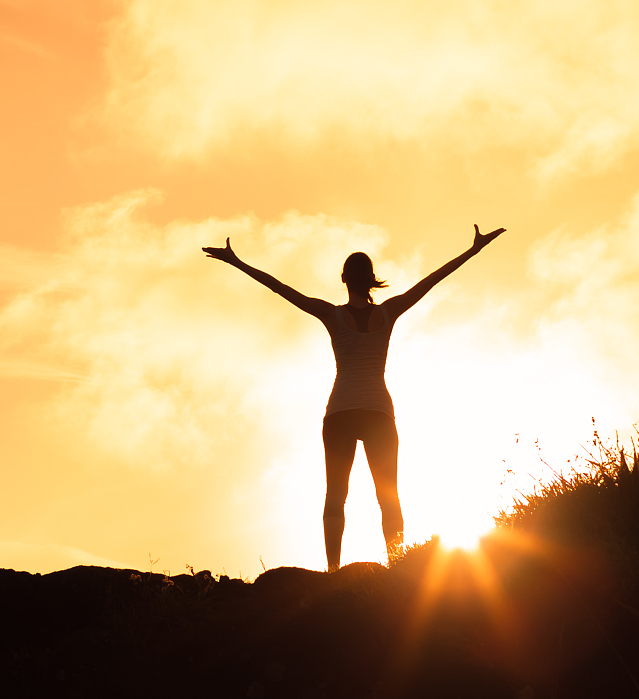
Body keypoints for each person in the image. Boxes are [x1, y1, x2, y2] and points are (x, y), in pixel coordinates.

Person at [204, 225, 506, 570]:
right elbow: (432, 280)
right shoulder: (388, 312)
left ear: (344, 278)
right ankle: (396, 566)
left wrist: (236, 261)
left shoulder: (332, 314)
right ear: (372, 279)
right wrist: (473, 251)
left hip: (341, 413)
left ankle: (333, 570)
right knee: (388, 498)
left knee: (336, 497)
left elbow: (280, 288)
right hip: (378, 412)